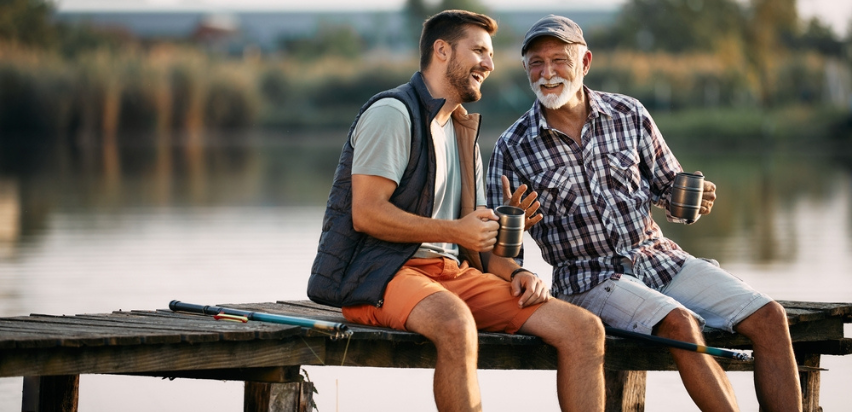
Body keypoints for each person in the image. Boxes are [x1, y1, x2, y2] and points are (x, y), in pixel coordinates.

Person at [487, 14, 802, 412]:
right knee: (681, 323)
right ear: (525, 69)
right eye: (536, 62)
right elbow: (499, 255)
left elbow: (669, 187)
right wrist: (513, 238)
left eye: (559, 60)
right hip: (589, 279)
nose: (547, 73)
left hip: (660, 259)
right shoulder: (512, 147)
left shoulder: (629, 114)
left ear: (584, 63)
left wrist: (690, 198)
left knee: (771, 317)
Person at [307, 10, 605, 412]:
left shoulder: (463, 130)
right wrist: (455, 231)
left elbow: (476, 241)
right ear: (442, 51)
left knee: (583, 329)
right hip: (379, 275)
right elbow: (366, 214)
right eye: (479, 50)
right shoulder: (393, 113)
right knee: (456, 323)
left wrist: (517, 271)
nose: (489, 63)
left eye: (491, 54)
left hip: (450, 276)